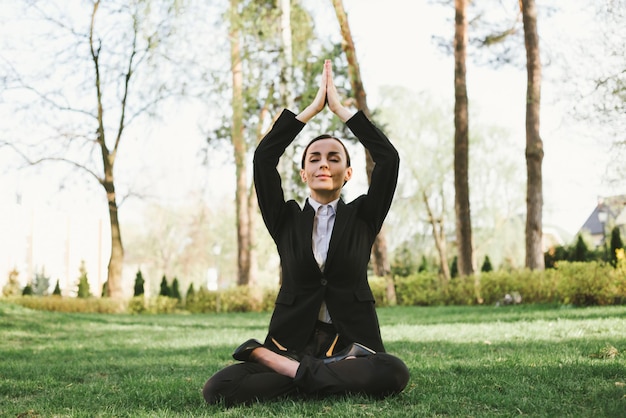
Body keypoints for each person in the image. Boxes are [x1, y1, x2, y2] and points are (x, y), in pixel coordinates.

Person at [203, 59, 409, 406]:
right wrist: (310, 112)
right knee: (219, 388)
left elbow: (388, 159)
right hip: (291, 344)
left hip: (351, 345)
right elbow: (263, 159)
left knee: (393, 372)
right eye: (314, 158)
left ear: (348, 173)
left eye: (333, 158)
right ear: (303, 174)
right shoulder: (285, 219)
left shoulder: (363, 216)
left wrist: (343, 112)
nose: (323, 164)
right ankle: (320, 375)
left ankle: (289, 372)